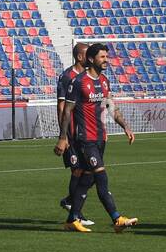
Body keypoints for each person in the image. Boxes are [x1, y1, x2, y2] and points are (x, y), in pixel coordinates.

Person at [55, 43, 138, 233]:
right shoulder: (79, 82)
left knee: (87, 178)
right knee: (101, 177)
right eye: (102, 57)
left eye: (106, 57)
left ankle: (71, 219)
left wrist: (125, 126)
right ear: (91, 59)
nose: (106, 60)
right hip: (84, 139)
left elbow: (110, 106)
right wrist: (63, 137)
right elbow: (67, 111)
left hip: (101, 138)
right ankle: (117, 219)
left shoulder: (104, 81)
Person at [56, 42, 93, 227]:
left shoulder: (88, 77)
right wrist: (63, 136)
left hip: (86, 133)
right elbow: (62, 106)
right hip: (71, 133)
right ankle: (75, 211)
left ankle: (71, 202)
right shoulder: (67, 77)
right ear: (80, 57)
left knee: (89, 172)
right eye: (89, 55)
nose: (92, 58)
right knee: (78, 170)